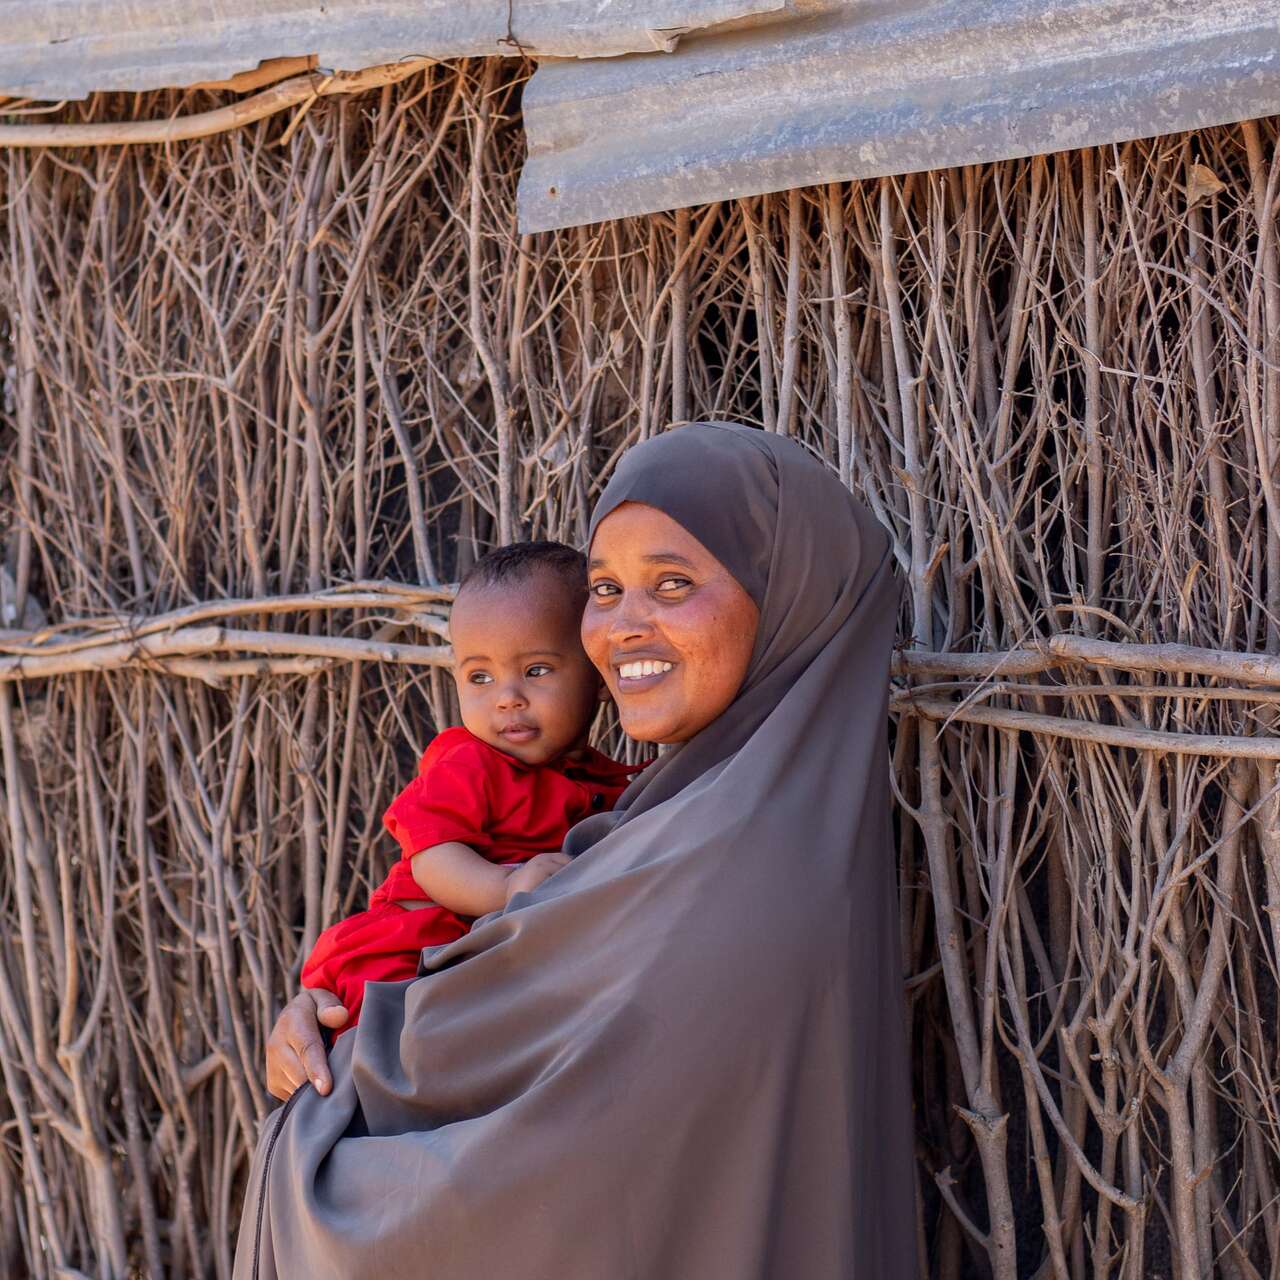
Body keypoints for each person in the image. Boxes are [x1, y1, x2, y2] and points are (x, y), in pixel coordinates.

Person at [236, 422, 918, 1279]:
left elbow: (543, 1187)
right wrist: (332, 1006)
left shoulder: (735, 873)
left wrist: (326, 1098)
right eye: (604, 588)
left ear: (790, 596)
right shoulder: (680, 818)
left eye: (672, 583)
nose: (623, 626)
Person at [300, 541, 639, 1030]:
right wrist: (506, 886)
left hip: (481, 960)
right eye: (480, 676)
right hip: (407, 948)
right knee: (396, 1040)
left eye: (536, 671)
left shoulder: (605, 783)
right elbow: (433, 857)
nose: (507, 698)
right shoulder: (467, 761)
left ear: (599, 677)